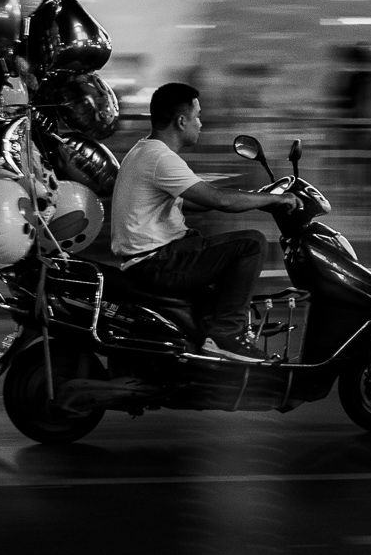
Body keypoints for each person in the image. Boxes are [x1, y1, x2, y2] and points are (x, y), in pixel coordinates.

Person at [111, 82, 298, 363]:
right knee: (251, 244)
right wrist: (272, 200)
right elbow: (217, 200)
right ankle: (227, 335)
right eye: (197, 116)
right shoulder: (159, 158)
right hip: (157, 263)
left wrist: (254, 199)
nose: (201, 123)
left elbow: (198, 201)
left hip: (151, 259)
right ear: (181, 120)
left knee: (216, 241)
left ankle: (211, 333)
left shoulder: (143, 151)